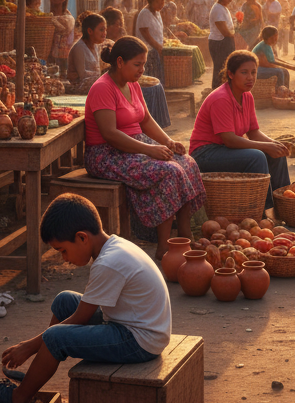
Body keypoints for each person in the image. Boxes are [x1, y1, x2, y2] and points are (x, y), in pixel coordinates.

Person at [0, 193, 172, 403]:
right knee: (64, 300)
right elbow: (79, 312)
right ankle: (37, 374)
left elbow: (81, 317)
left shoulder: (108, 263)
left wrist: (29, 347)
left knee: (56, 338)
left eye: (62, 250)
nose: (64, 258)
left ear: (82, 237)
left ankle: (16, 401)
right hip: (130, 324)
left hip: (140, 341)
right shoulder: (113, 245)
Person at [83, 36, 205, 257]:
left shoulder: (133, 85)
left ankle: (185, 237)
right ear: (120, 62)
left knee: (187, 163)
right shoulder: (102, 88)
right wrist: (150, 150)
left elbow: (146, 120)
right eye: (137, 64)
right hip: (106, 154)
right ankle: (164, 246)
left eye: (144, 64)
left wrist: (167, 141)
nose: (142, 69)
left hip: (135, 145)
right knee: (169, 171)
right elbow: (110, 134)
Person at [190, 50, 291, 220]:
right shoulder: (221, 98)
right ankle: (263, 214)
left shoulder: (247, 96)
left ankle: (285, 208)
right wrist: (266, 147)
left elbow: (253, 132)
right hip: (205, 153)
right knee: (257, 156)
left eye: (253, 72)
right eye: (244, 73)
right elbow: (229, 139)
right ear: (230, 74)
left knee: (277, 153)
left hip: (225, 150)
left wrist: (274, 145)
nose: (250, 77)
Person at [67, 13, 107, 94]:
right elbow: (82, 75)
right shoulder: (79, 47)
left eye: (105, 30)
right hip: (79, 88)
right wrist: (101, 75)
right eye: (101, 30)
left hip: (94, 85)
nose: (105, 33)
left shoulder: (96, 46)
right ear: (90, 31)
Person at [137, 0, 167, 87]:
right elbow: (146, 35)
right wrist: (157, 46)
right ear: (151, 1)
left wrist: (163, 41)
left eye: (163, 1)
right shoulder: (145, 13)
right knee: (151, 80)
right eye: (158, 2)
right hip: (148, 50)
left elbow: (157, 30)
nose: (161, 5)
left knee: (157, 78)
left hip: (156, 49)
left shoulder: (157, 12)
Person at [208, 0, 237, 89]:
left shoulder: (222, 7)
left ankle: (222, 91)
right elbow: (225, 32)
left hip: (224, 41)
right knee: (220, 69)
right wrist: (236, 35)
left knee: (225, 68)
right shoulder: (218, 9)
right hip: (220, 42)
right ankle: (217, 91)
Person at [48, 0, 75, 67]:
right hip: (52, 55)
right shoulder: (51, 14)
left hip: (66, 56)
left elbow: (63, 28)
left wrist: (50, 19)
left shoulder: (67, 17)